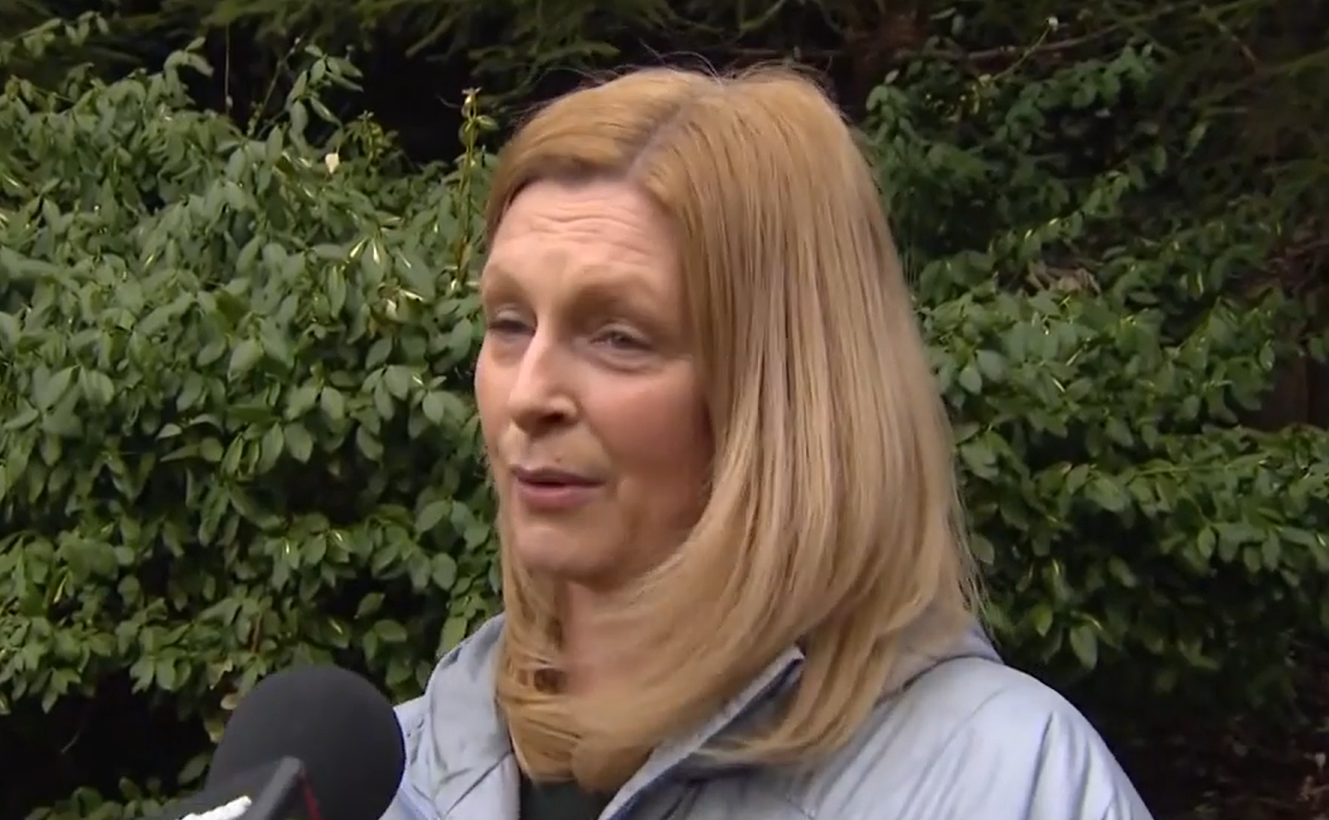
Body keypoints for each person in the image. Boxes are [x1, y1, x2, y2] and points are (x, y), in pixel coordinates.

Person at [381, 66, 1154, 820]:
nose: (527, 396)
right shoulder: (399, 774)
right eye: (509, 324)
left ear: (788, 393)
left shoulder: (1002, 784)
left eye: (619, 337)